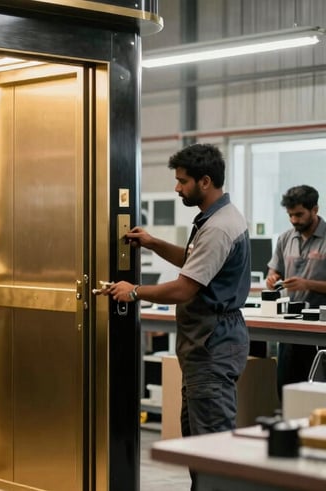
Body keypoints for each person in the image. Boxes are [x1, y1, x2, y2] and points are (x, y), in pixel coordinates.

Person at [99, 143, 250, 490]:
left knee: (212, 446)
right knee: (199, 441)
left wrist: (133, 291)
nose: (177, 188)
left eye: (183, 182)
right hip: (206, 345)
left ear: (206, 181)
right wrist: (153, 243)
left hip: (213, 344)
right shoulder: (216, 219)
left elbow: (184, 289)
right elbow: (194, 262)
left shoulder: (218, 227)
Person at [266, 185, 326, 396]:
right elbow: (274, 271)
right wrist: (272, 278)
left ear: (315, 209)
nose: (294, 220)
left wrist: (307, 284)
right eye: (290, 215)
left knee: (316, 392)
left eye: (299, 214)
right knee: (287, 389)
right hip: (290, 326)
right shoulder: (285, 239)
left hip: (320, 328)